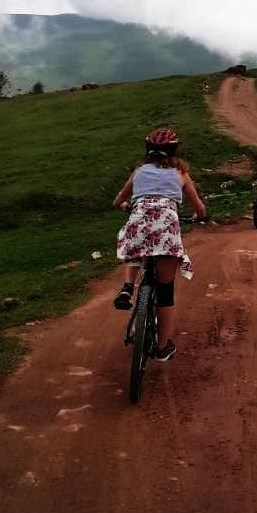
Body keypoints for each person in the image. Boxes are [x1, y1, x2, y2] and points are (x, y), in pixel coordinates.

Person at [111, 127, 207, 362]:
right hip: (166, 230)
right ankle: (162, 348)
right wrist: (198, 216)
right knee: (165, 293)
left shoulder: (139, 172)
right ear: (173, 151)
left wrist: (127, 207)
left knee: (135, 249)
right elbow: (200, 208)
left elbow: (118, 201)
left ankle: (128, 287)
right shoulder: (181, 173)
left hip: (138, 221)